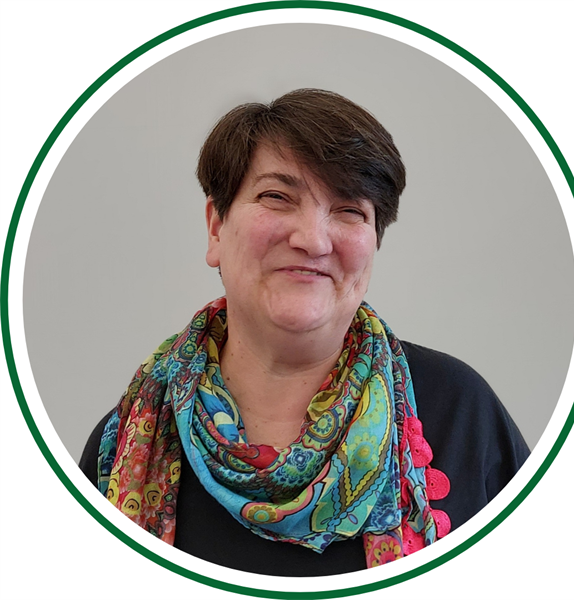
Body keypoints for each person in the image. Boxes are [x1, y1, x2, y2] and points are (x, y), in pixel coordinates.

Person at [80, 89, 529, 576]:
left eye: (349, 209)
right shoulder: (128, 438)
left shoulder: (461, 411)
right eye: (277, 197)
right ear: (216, 227)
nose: (313, 240)